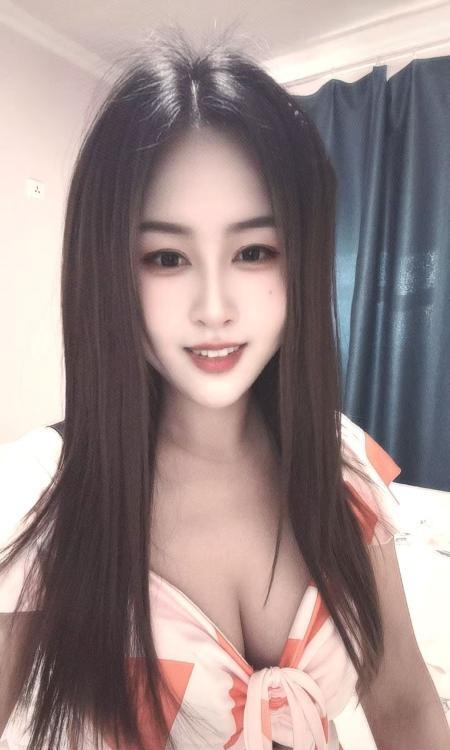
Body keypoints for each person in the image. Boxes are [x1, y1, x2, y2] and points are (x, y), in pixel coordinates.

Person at [0, 24, 448, 750]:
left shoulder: (342, 465)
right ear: (108, 270)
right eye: (167, 257)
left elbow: (405, 706)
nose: (215, 308)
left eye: (254, 251)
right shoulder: (40, 496)